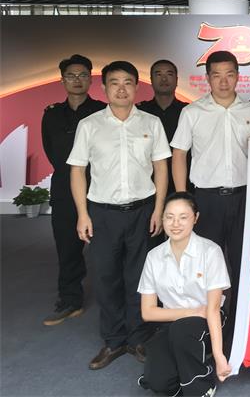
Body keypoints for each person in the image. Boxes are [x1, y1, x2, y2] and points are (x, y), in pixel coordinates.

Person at [67, 61, 171, 369]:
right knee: (106, 277)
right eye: (115, 83)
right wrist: (82, 214)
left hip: (142, 211)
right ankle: (113, 340)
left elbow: (161, 167)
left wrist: (159, 208)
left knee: (139, 277)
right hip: (102, 214)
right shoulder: (90, 125)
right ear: (104, 88)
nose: (122, 89)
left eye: (128, 82)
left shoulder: (151, 123)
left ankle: (138, 337)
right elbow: (77, 171)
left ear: (137, 87)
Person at [171, 50, 250, 349]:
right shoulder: (192, 112)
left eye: (229, 74)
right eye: (217, 75)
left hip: (244, 199)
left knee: (242, 265)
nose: (224, 81)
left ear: (238, 76)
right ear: (207, 78)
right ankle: (202, 329)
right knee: (204, 267)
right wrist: (183, 199)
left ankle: (237, 331)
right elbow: (179, 154)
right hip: (206, 200)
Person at [137, 192, 231, 397]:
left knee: (183, 331)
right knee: (157, 382)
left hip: (209, 320)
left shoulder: (210, 252)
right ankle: (183, 365)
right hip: (173, 322)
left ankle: (202, 386)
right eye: (169, 217)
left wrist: (219, 356)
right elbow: (148, 312)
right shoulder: (154, 257)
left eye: (183, 217)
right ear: (162, 218)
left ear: (195, 218)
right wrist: (191, 312)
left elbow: (212, 309)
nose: (175, 224)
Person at [40, 54, 105, 326]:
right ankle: (70, 300)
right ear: (62, 80)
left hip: (100, 188)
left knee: (107, 249)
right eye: (71, 76)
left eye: (82, 75)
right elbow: (50, 150)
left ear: (91, 79)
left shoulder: (103, 111)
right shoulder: (52, 114)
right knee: (67, 247)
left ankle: (115, 302)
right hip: (65, 190)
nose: (77, 80)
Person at [137, 59, 188, 195]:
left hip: (184, 184)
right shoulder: (139, 112)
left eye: (169, 74)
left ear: (177, 80)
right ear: (151, 80)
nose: (164, 79)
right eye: (158, 74)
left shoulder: (188, 112)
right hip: (148, 186)